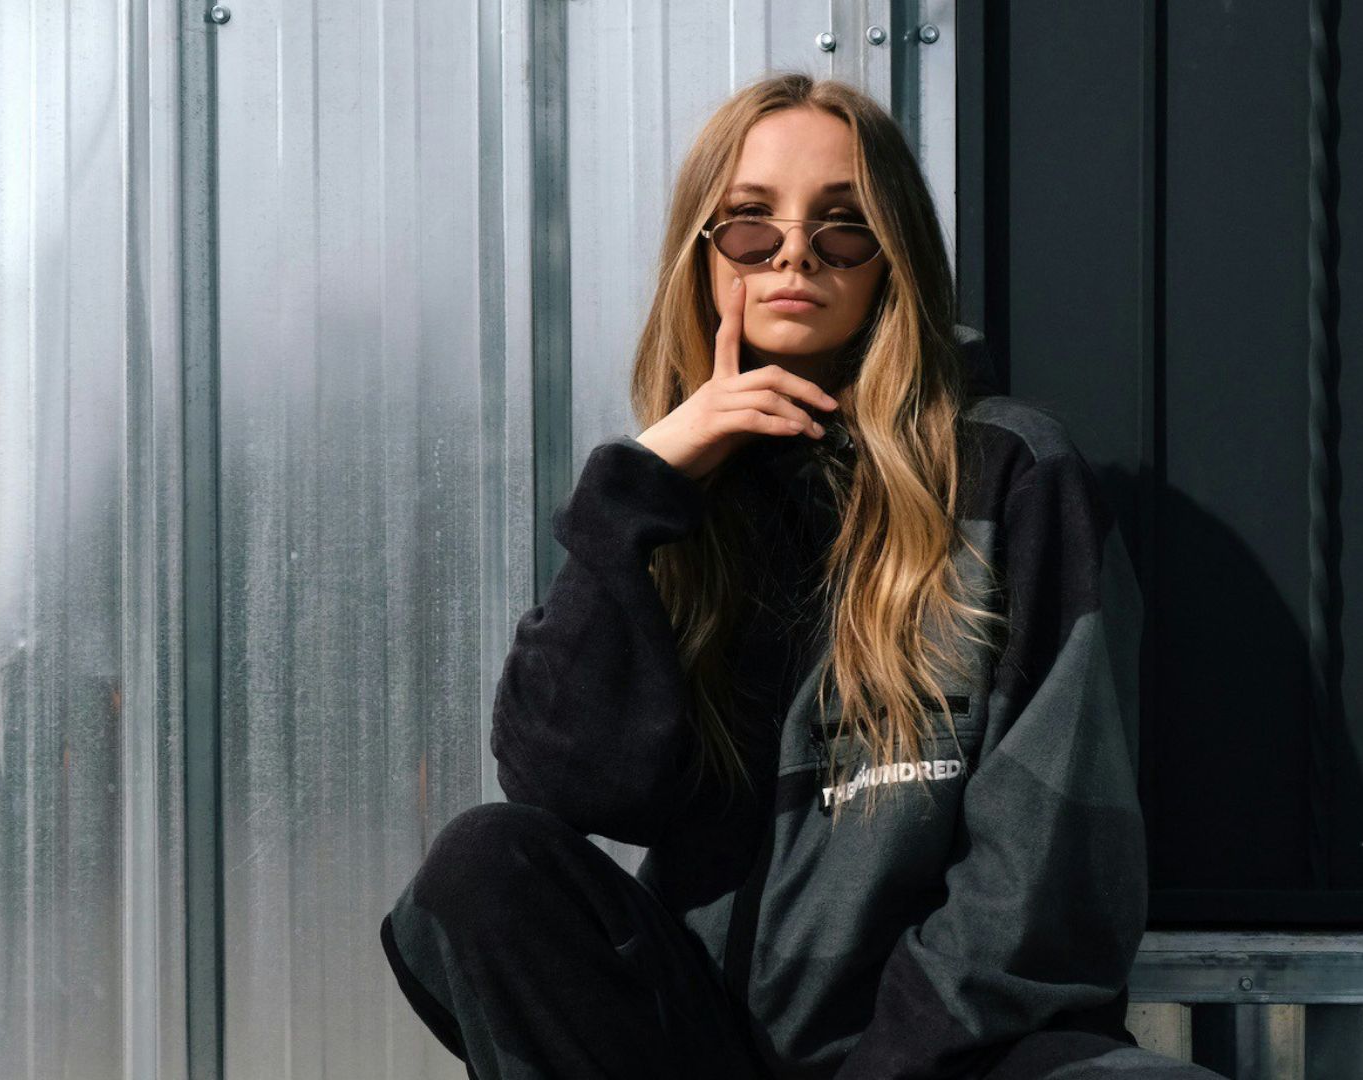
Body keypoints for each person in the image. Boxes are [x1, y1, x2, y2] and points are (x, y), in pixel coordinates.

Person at [378, 72, 1224, 1080]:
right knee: (485, 863)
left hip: (954, 1057)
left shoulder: (1008, 477)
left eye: (842, 225)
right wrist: (629, 500)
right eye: (748, 222)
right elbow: (572, 781)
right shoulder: (674, 506)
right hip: (704, 1048)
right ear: (703, 253)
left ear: (891, 257)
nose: (793, 253)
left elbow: (1042, 875)